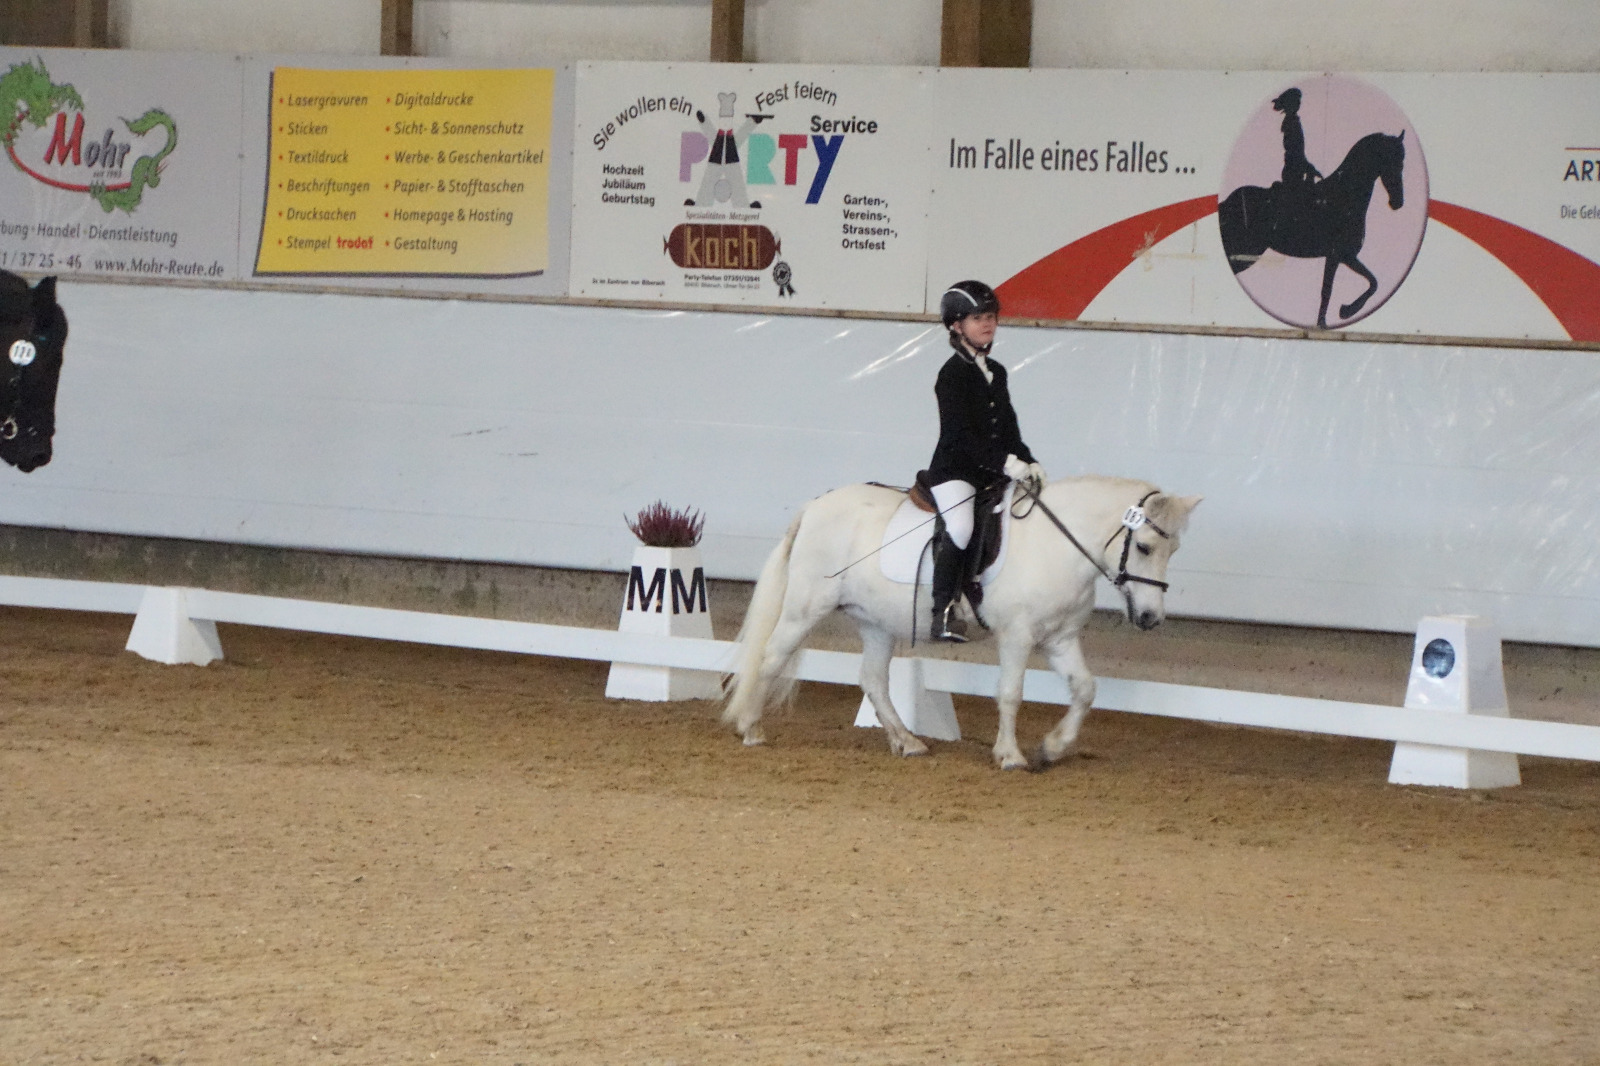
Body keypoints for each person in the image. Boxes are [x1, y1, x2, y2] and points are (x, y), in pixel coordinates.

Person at [924, 280, 1044, 643]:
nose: (988, 323)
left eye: (991, 316)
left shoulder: (997, 371)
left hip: (991, 470)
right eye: (977, 318)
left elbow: (1008, 427)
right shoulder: (951, 375)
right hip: (955, 470)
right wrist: (1005, 463)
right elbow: (961, 436)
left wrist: (1028, 461)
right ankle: (943, 611)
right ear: (956, 325)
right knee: (961, 527)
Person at [1273, 87, 1321, 189]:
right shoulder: (1291, 122)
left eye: (1299, 101)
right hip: (1293, 171)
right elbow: (1294, 150)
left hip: (1297, 168)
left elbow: (1298, 150)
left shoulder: (1293, 121)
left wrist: (1308, 166)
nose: (1299, 103)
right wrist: (1307, 166)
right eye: (1296, 101)